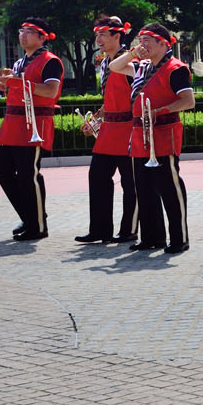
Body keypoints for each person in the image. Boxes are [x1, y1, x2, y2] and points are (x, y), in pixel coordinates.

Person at [111, 23, 193, 253]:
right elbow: (114, 66)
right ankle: (152, 237)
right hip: (140, 135)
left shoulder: (176, 68)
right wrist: (132, 52)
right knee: (144, 189)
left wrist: (161, 110)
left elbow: (188, 101)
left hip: (164, 132)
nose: (142, 44)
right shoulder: (142, 66)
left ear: (163, 43)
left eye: (148, 40)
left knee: (169, 187)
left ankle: (179, 238)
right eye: (141, 39)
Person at [0, 19, 65, 239]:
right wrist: (8, 84)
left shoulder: (50, 61)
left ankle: (38, 226)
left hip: (33, 123)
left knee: (28, 175)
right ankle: (30, 216)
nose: (23, 35)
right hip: (12, 124)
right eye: (21, 31)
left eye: (30, 32)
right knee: (1, 170)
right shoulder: (19, 62)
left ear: (43, 37)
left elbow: (51, 91)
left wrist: (19, 83)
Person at [74, 17, 139, 243]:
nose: (98, 39)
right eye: (97, 35)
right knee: (97, 177)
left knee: (131, 183)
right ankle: (100, 230)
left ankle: (129, 230)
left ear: (117, 36)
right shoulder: (103, 63)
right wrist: (97, 118)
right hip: (109, 129)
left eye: (103, 35)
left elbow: (139, 96)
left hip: (130, 128)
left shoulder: (132, 63)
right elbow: (110, 98)